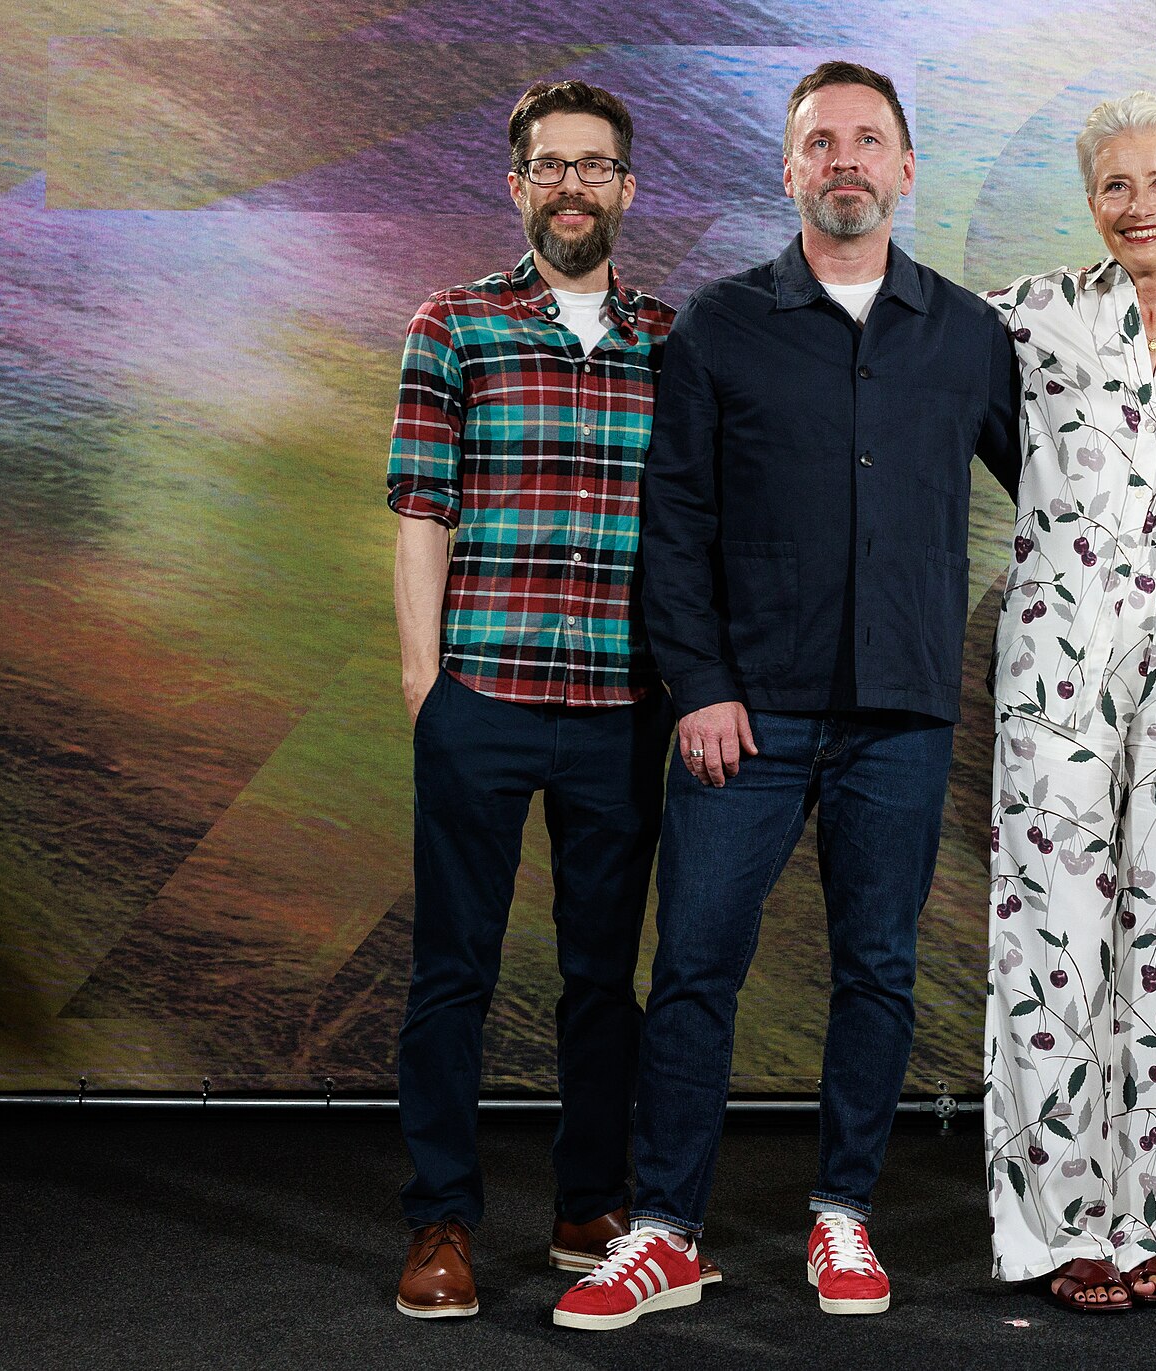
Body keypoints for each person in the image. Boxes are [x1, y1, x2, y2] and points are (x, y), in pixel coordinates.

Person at [549, 60, 1022, 1332]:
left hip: (903, 710)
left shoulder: (970, 335)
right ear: (791, 168)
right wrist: (697, 686)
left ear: (908, 168)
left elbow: (1073, 494)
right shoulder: (719, 325)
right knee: (697, 960)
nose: (847, 161)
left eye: (871, 141)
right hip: (742, 716)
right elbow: (675, 520)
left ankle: (843, 1217)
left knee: (877, 967)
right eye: (822, 142)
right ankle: (664, 1232)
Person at [384, 78, 726, 1319]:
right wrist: (428, 685)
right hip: (482, 690)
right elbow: (422, 510)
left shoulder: (672, 339)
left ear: (627, 191)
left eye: (596, 167)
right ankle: (440, 1222)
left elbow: (694, 528)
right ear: (517, 183)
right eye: (551, 165)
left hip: (621, 709)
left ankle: (590, 1200)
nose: (573, 185)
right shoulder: (455, 323)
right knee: (454, 971)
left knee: (601, 975)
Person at [982, 92, 1156, 1313]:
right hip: (1059, 648)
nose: (1138, 206)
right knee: (1054, 929)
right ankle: (1056, 1225)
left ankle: (1146, 1217)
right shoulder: (1027, 315)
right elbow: (913, 394)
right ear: (1092, 204)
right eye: (1114, 187)